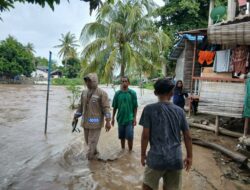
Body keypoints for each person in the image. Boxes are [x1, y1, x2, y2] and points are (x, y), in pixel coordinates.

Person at [140, 78, 192, 190]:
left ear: (155, 93)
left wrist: (143, 154)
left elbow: (145, 136)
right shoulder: (180, 111)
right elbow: (188, 136)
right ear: (172, 92)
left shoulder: (149, 109)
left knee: (147, 187)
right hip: (175, 158)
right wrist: (189, 156)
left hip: (156, 158)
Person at [73, 73, 111, 160]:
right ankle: (96, 155)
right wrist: (75, 116)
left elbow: (106, 108)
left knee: (91, 143)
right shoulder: (84, 92)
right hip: (85, 122)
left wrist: (108, 121)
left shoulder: (102, 93)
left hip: (95, 123)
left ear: (94, 81)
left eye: (89, 81)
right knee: (88, 142)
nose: (87, 83)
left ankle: (90, 163)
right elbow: (80, 106)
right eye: (86, 81)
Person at [111, 76, 138, 151]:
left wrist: (135, 118)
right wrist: (112, 118)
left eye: (125, 81)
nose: (124, 83)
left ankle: (130, 152)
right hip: (120, 118)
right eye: (122, 81)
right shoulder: (117, 94)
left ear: (128, 83)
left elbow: (135, 107)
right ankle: (122, 151)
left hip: (130, 118)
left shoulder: (132, 93)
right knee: (122, 137)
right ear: (121, 83)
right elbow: (115, 107)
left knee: (130, 137)